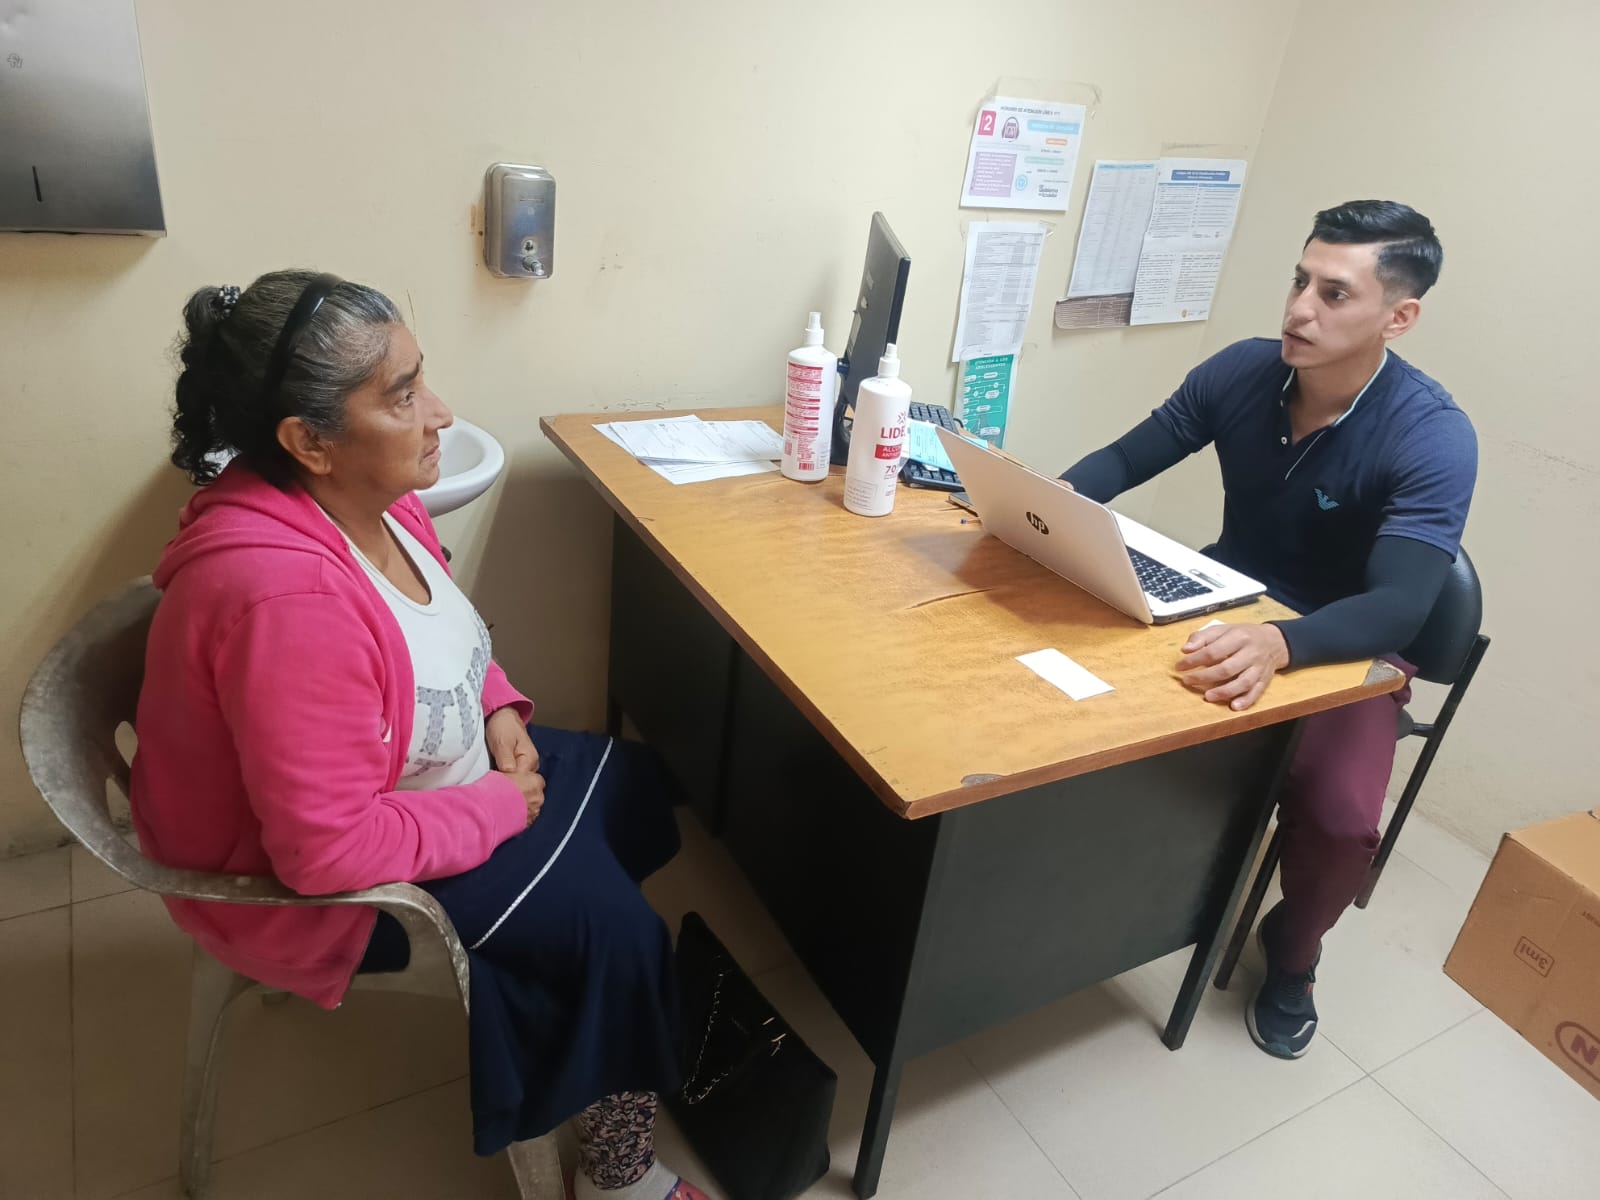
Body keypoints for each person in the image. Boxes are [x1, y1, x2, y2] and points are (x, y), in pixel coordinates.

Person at [129, 269, 709, 1200]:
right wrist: (498, 806)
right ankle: (615, 1172)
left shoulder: (376, 496)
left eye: (420, 378)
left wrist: (500, 707)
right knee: (622, 937)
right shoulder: (287, 602)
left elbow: (440, 630)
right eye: (402, 396)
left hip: (427, 777)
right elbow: (325, 852)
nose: (439, 413)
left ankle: (579, 1003)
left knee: (628, 780)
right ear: (308, 440)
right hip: (336, 880)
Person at [1058, 201, 1476, 1059]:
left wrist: (1284, 644)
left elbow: (1400, 606)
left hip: (1343, 644)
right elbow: (1127, 459)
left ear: (1399, 318)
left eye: (1333, 294)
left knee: (1341, 819)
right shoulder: (1245, 371)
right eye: (1298, 281)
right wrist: (1045, 508)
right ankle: (1085, 898)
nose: (1298, 310)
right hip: (1225, 600)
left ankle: (1293, 953)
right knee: (1075, 702)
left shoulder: (1431, 435)